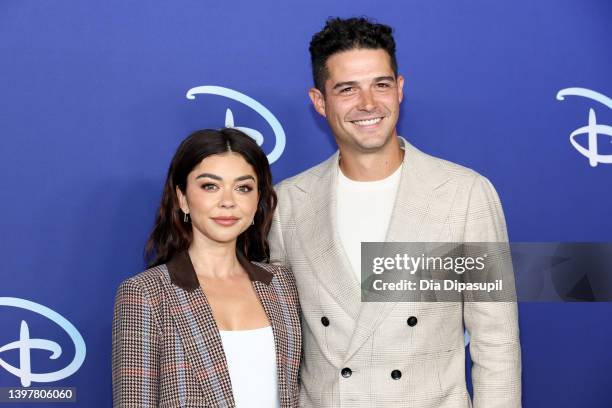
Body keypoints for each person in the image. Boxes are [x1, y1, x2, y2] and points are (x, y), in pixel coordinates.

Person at [269, 17, 521, 407]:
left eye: (380, 85)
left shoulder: (465, 194)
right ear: (320, 101)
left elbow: (496, 341)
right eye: (347, 89)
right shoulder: (287, 204)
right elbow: (280, 342)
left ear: (399, 89)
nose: (368, 104)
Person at [112, 128, 301, 407]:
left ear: (257, 200)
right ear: (183, 198)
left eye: (243, 188)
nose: (228, 201)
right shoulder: (146, 294)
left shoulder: (281, 283)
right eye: (210, 186)